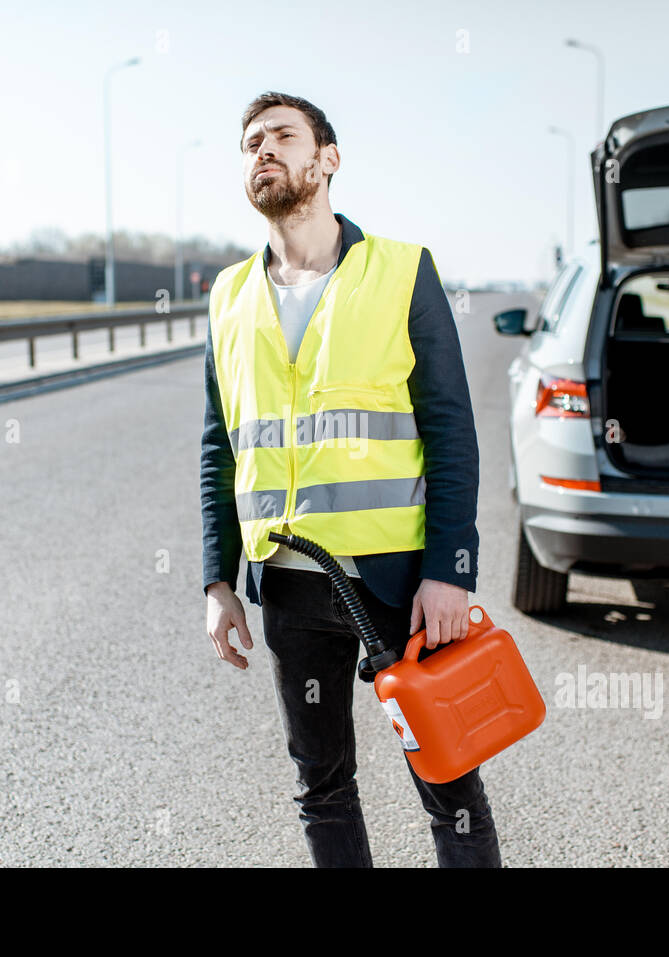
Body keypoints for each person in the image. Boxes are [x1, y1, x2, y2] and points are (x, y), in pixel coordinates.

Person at [200, 91, 500, 868]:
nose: (262, 149)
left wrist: (449, 570)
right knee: (321, 786)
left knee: (448, 785)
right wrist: (216, 580)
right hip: (289, 587)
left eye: (282, 136)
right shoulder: (228, 297)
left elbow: (451, 433)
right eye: (250, 142)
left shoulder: (402, 271)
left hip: (396, 584)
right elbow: (219, 445)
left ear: (327, 159)